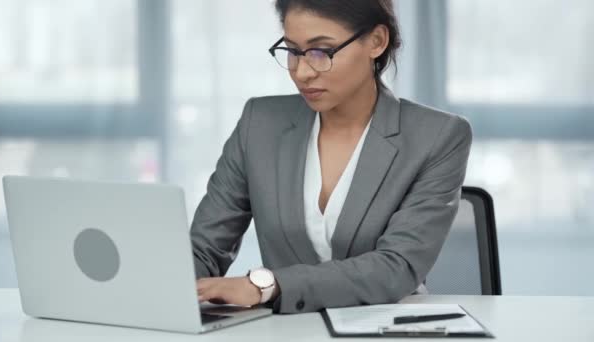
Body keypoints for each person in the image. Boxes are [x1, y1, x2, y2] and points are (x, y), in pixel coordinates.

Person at [191, 0, 472, 314]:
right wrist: (172, 283)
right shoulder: (259, 124)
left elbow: (396, 267)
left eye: (321, 51)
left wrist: (268, 285)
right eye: (293, 51)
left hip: (383, 327)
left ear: (377, 42)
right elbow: (204, 247)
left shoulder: (437, 136)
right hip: (284, 333)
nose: (302, 72)